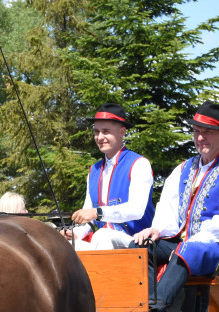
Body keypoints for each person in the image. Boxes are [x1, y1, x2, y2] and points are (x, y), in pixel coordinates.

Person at [131, 101, 219, 312]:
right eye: (197, 131)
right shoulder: (183, 168)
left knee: (187, 250)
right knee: (141, 247)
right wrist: (157, 230)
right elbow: (167, 208)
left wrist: (188, 244)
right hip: (186, 245)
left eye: (207, 132)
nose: (200, 138)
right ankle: (142, 305)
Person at [64, 102, 154, 250]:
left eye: (106, 131)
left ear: (122, 132)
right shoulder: (94, 170)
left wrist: (97, 212)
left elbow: (136, 210)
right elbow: (89, 215)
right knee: (63, 247)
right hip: (103, 242)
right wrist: (74, 234)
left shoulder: (139, 164)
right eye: (96, 132)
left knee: (103, 235)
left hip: (136, 241)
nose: (99, 137)